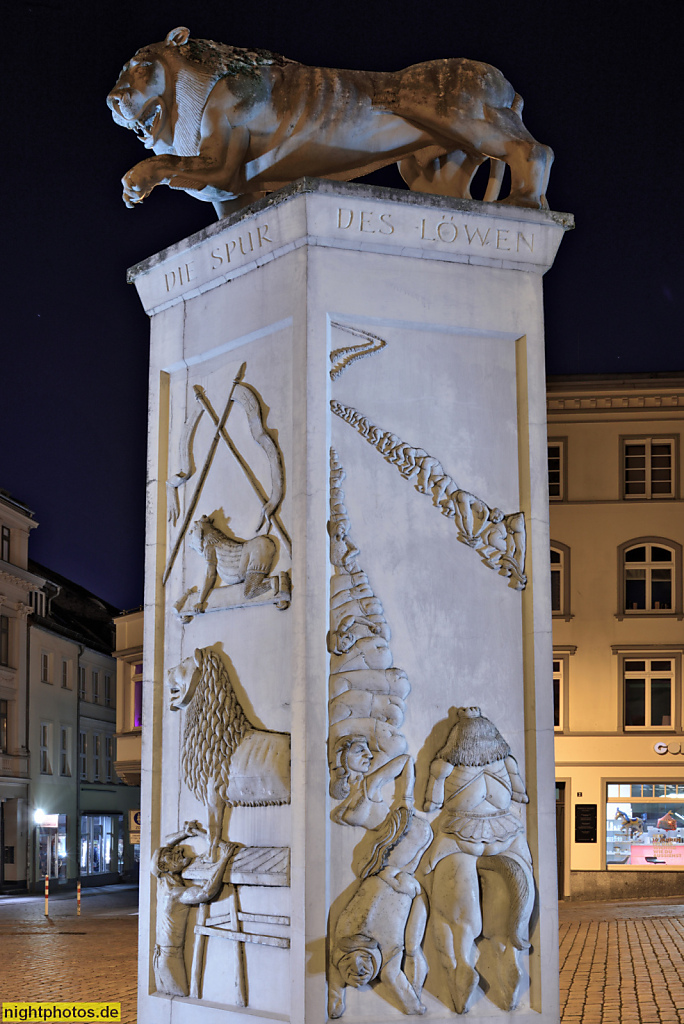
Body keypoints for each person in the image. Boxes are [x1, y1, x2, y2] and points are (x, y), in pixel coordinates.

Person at [151, 820, 236, 996]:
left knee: (172, 996)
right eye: (171, 856)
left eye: (174, 851)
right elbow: (207, 892)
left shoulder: (162, 878)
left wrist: (185, 833)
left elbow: (166, 843)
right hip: (169, 955)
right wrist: (224, 859)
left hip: (161, 954)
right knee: (180, 996)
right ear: (165, 867)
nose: (178, 851)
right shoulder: (173, 893)